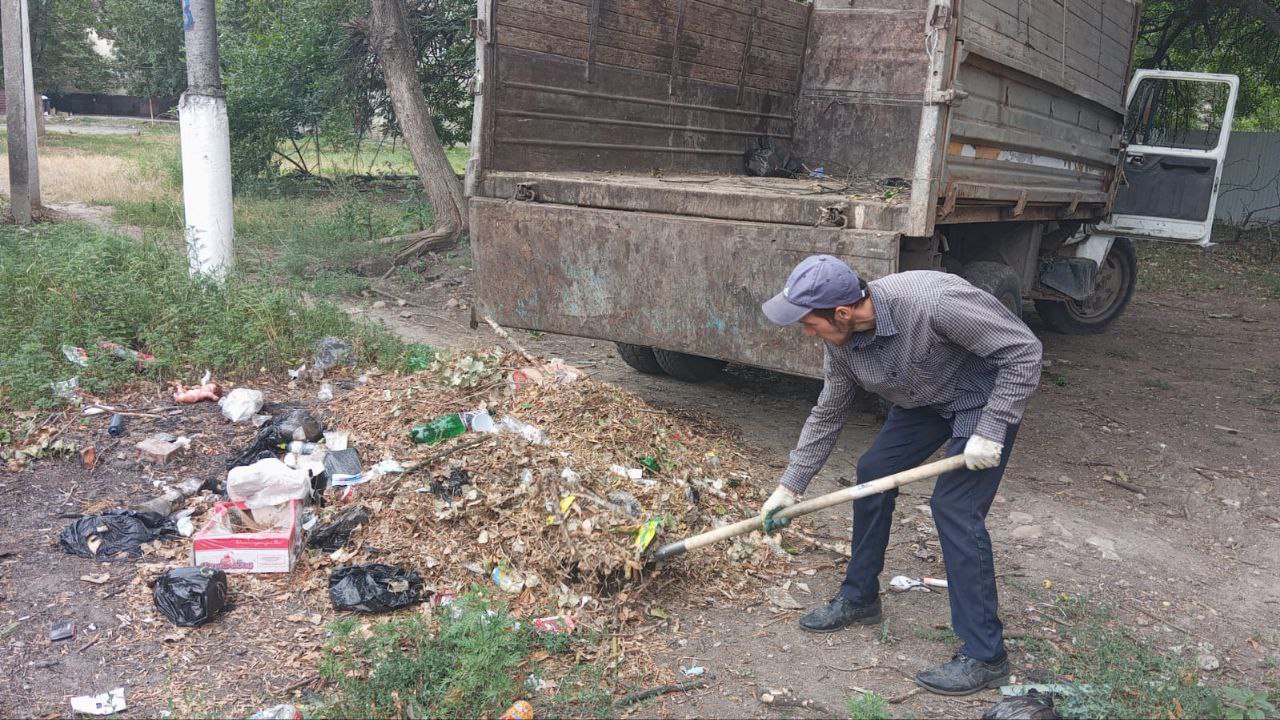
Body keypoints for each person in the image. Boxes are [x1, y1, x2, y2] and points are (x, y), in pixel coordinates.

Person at [758, 255, 1043, 696]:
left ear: (842, 312)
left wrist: (992, 426)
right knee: (872, 472)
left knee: (955, 506)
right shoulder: (843, 343)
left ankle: (986, 656)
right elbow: (828, 412)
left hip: (981, 401)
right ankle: (859, 597)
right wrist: (789, 487)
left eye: (808, 322)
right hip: (924, 403)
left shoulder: (933, 304)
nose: (806, 332)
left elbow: (1024, 352)